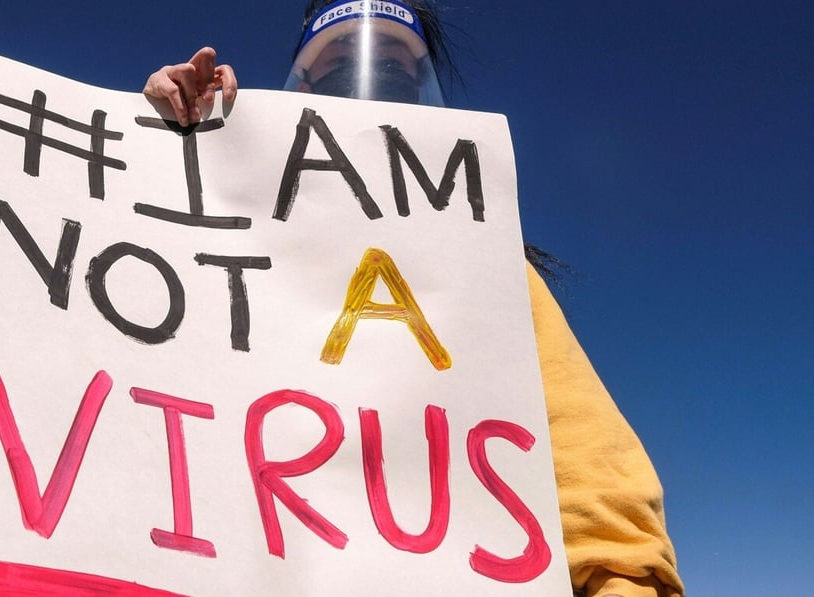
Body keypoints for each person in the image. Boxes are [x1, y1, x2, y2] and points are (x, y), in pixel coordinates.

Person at [143, 2, 684, 596]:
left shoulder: (485, 265)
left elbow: (598, 497)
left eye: (397, 73)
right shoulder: (237, 241)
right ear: (304, 85)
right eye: (336, 67)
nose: (365, 85)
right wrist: (171, 144)